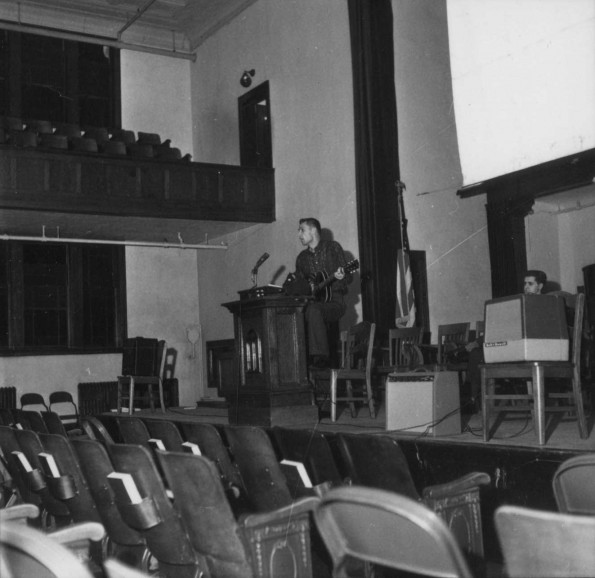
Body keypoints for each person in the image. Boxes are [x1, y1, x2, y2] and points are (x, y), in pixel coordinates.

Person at [466, 270, 547, 410]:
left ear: (540, 286)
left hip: (536, 350)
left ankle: (475, 399)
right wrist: (477, 342)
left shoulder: (546, 304)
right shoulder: (519, 304)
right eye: (524, 284)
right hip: (514, 347)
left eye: (530, 284)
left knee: (477, 354)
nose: (526, 287)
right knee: (476, 354)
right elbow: (500, 329)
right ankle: (474, 400)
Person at [292, 217, 352, 368]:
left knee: (313, 310)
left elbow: (349, 277)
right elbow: (300, 286)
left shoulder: (333, 248)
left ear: (313, 230)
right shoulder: (301, 258)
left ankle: (320, 359)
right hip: (313, 304)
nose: (299, 234)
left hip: (335, 303)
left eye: (302, 230)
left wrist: (342, 276)